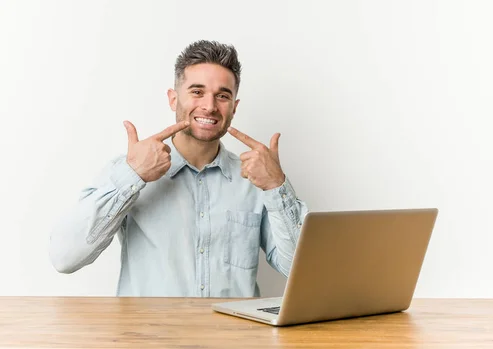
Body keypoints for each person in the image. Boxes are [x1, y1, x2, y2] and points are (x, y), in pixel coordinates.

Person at [49, 40, 309, 297]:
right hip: (151, 337)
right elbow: (65, 258)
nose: (209, 106)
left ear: (234, 107)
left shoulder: (256, 179)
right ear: (173, 99)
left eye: (222, 95)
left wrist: (276, 187)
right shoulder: (129, 169)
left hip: (232, 338)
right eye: (197, 92)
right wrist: (133, 175)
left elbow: (301, 271)